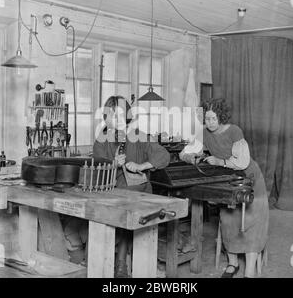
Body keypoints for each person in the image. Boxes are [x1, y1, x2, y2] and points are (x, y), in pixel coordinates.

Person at [179, 98, 269, 278]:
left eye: (213, 119)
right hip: (228, 179)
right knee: (227, 219)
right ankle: (232, 263)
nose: (209, 123)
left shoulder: (234, 131)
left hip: (249, 177)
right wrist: (193, 157)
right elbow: (184, 153)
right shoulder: (203, 133)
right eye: (206, 119)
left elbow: (242, 161)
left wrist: (219, 161)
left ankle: (249, 269)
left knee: (252, 218)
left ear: (221, 117)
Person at [93, 95, 170, 277]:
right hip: (111, 193)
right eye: (111, 115)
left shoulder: (138, 136)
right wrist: (113, 163)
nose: (116, 120)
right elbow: (96, 167)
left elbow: (163, 155)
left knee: (130, 217)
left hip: (138, 194)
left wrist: (143, 166)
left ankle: (121, 265)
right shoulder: (102, 139)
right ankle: (112, 262)